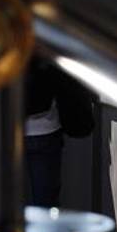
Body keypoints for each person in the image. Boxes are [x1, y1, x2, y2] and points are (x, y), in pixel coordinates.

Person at [24, 57, 95, 207]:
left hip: (6, 130)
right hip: (45, 129)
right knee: (46, 203)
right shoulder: (45, 43)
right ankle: (47, 229)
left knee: (4, 203)